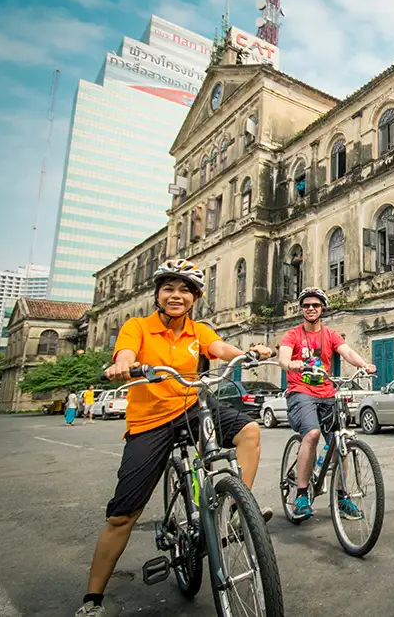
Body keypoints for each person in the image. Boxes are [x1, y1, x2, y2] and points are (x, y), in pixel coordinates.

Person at [75, 259, 274, 617]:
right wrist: (123, 364)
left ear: (195, 298)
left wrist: (247, 353)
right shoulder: (138, 327)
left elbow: (220, 349)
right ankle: (92, 599)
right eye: (168, 288)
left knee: (249, 430)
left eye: (185, 290)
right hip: (150, 421)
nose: (176, 295)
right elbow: (126, 352)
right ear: (158, 295)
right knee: (123, 515)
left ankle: (236, 509)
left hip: (192, 408)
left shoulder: (198, 331)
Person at [278, 287, 376, 522]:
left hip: (327, 393)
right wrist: (290, 364)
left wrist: (363, 364)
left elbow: (347, 352)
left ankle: (342, 497)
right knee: (311, 435)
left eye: (315, 305)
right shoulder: (292, 334)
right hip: (301, 392)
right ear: (301, 309)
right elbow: (282, 356)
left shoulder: (330, 335)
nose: (310, 309)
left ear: (322, 309)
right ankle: (301, 495)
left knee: (339, 441)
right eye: (306, 305)